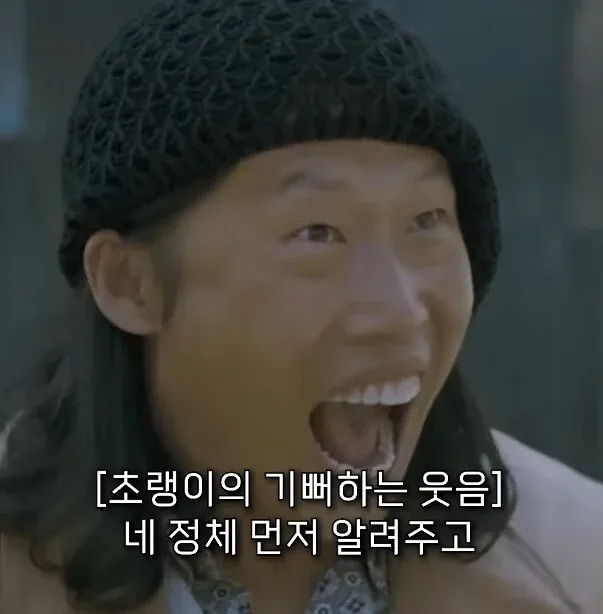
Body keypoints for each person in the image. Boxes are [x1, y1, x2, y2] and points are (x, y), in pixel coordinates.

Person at [0, 0, 602, 612]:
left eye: (427, 220)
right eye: (318, 233)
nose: (401, 313)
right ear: (130, 283)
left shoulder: (576, 561)